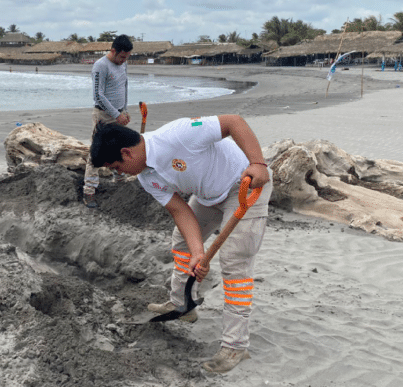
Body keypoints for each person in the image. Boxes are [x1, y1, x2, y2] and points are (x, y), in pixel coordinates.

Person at [90, 115, 273, 374]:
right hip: (208, 196)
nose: (119, 174)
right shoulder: (146, 177)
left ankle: (235, 345)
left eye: (116, 167)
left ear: (126, 153)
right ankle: (182, 304)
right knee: (182, 243)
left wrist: (257, 163)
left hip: (244, 185)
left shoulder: (180, 134)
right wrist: (198, 252)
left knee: (234, 262)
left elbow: (234, 122)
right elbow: (181, 211)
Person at [83, 34, 134, 208]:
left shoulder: (124, 63)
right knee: (96, 152)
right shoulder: (100, 66)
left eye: (126, 57)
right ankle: (89, 191)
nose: (123, 61)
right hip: (103, 115)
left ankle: (119, 180)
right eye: (122, 57)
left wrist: (124, 110)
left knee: (120, 149)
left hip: (119, 114)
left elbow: (124, 86)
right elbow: (98, 95)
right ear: (113, 51)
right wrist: (115, 113)